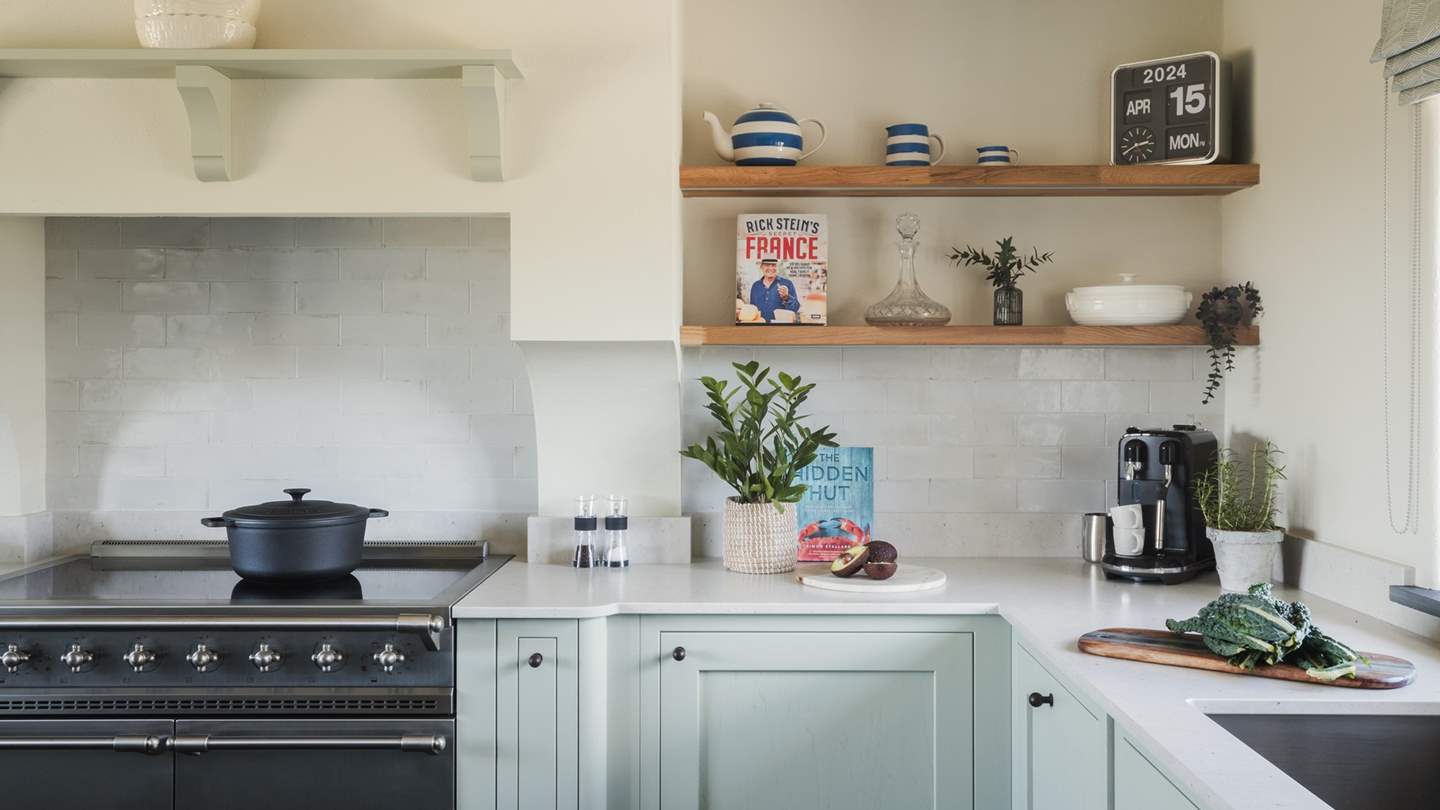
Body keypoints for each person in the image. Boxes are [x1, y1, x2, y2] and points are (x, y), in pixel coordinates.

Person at [748, 258, 800, 323]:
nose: (771, 268)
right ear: (761, 267)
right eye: (767, 265)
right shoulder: (755, 286)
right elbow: (752, 310)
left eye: (773, 265)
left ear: (777, 267)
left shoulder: (787, 283)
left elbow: (795, 308)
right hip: (760, 327)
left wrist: (786, 297)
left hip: (780, 327)